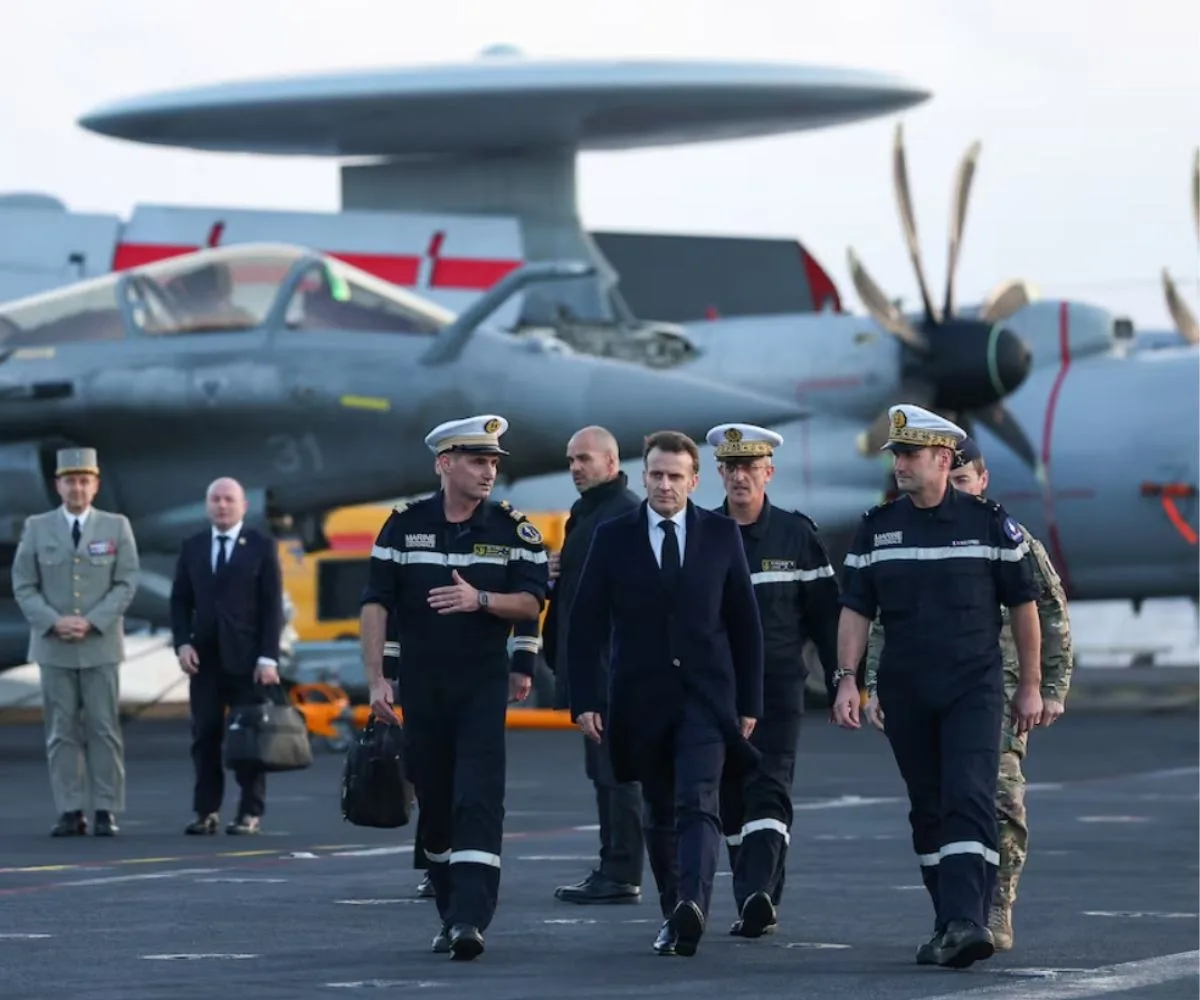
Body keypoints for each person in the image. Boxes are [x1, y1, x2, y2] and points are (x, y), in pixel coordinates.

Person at [832, 404, 1043, 970]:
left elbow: (1025, 608)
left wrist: (1031, 684)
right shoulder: (877, 528)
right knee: (927, 807)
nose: (899, 463)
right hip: (906, 691)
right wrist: (847, 680)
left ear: (943, 459)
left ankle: (967, 920)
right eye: (896, 454)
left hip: (974, 688)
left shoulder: (989, 523)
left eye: (909, 454)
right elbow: (855, 609)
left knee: (969, 795)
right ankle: (948, 919)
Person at [862, 434, 1073, 951]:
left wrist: (1047, 687)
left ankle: (993, 908)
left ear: (981, 481)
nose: (953, 489)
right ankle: (958, 915)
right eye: (949, 480)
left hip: (993, 686)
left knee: (995, 796)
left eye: (963, 480)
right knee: (938, 799)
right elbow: (887, 619)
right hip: (929, 684)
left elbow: (1049, 612)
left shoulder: (1008, 538)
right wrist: (870, 681)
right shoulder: (903, 533)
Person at [567, 430, 764, 958]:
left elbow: (745, 624)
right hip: (640, 698)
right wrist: (584, 698)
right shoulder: (614, 536)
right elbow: (583, 622)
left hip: (707, 697)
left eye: (675, 476)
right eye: (656, 474)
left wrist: (749, 703)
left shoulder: (721, 535)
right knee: (659, 811)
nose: (664, 484)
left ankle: (693, 905)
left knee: (698, 800)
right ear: (645, 474)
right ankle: (674, 910)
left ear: (694, 481)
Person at [359, 414, 548, 961]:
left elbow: (533, 602)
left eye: (492, 462)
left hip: (481, 685)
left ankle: (470, 919)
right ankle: (449, 908)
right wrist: (377, 681)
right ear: (445, 464)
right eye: (477, 460)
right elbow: (376, 603)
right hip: (421, 685)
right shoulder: (401, 525)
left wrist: (481, 601)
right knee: (437, 805)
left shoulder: (515, 530)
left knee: (480, 799)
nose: (488, 471)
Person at [704, 423, 841, 938]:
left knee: (770, 785)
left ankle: (757, 890)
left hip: (779, 684)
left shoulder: (796, 535)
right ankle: (755, 895)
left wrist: (841, 680)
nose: (740, 476)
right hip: (718, 689)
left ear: (769, 472)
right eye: (731, 467)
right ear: (719, 472)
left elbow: (827, 616)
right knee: (730, 796)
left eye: (750, 467)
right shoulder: (701, 533)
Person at [11, 447, 139, 837]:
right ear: (58, 485)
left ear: (96, 485)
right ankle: (69, 810)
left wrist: (93, 621)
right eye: (70, 481)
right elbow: (24, 583)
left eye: (84, 480)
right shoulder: (37, 527)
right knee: (61, 731)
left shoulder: (116, 527)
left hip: (99, 645)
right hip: (54, 646)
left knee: (104, 729)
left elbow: (126, 581)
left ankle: (105, 809)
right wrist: (55, 621)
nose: (77, 488)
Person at [543, 426, 644, 906]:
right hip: (593, 667)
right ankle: (615, 865)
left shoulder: (622, 515)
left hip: (612, 670)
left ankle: (621, 870)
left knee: (616, 772)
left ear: (611, 461)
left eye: (584, 459)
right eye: (570, 460)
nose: (576, 468)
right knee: (604, 771)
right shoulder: (586, 516)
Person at [389, 610, 544, 901]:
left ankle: (468, 884)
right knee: (432, 778)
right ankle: (439, 864)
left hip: (481, 672)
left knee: (475, 785)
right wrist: (385, 671)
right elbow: (388, 599)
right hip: (425, 674)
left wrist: (524, 659)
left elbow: (526, 597)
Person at [169, 477, 285, 835]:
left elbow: (271, 607)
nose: (222, 505)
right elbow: (179, 601)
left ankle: (250, 812)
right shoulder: (193, 546)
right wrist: (182, 643)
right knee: (204, 736)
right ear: (207, 505)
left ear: (243, 506)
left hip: (248, 662)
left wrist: (269, 657)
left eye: (229, 499)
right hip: (204, 660)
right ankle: (206, 811)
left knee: (248, 738)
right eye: (216, 499)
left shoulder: (261, 546)